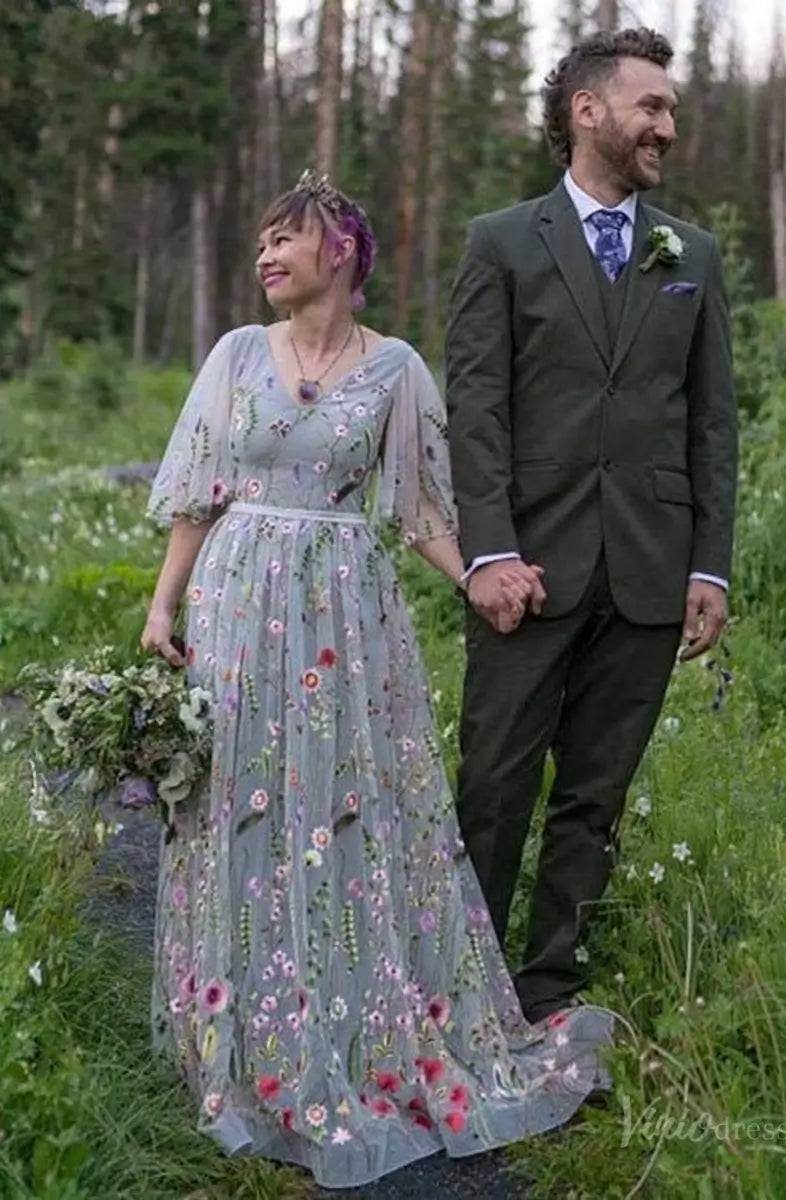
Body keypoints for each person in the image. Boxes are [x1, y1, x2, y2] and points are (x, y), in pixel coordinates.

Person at [140, 170, 612, 1191]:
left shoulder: (396, 370)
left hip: (346, 621)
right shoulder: (233, 355)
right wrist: (162, 607)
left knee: (346, 812)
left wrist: (478, 580)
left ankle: (354, 1021)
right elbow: (196, 492)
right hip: (238, 602)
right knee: (239, 809)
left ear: (341, 250)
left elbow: (422, 509)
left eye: (286, 240)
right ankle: (240, 1034)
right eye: (262, 243)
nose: (267, 256)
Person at [446, 28, 738, 1025]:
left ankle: (550, 989)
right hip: (526, 567)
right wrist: (486, 551)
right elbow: (476, 410)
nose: (667, 123)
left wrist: (712, 566)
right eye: (650, 105)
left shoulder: (691, 255)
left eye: (669, 107)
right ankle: (462, 989)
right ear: (586, 110)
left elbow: (711, 426)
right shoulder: (500, 242)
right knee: (492, 785)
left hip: (652, 574)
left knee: (595, 796)